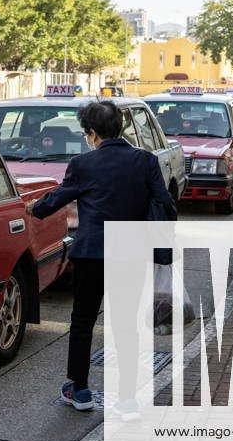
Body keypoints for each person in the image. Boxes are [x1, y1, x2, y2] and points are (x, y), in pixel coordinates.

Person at [26, 101, 176, 411]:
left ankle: (79, 390)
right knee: (125, 325)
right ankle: (127, 397)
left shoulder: (83, 164)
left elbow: (58, 197)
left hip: (92, 255)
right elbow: (166, 205)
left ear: (93, 133)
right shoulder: (145, 161)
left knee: (83, 321)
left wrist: (34, 208)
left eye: (86, 134)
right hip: (131, 254)